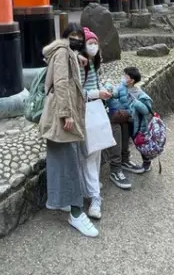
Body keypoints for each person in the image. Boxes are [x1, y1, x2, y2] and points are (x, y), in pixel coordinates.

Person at [40, 23, 98, 238]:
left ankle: (62, 202)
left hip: (55, 115)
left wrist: (77, 58)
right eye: (72, 36)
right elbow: (62, 83)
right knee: (71, 163)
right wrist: (67, 115)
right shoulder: (64, 53)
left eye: (79, 36)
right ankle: (76, 212)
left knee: (58, 161)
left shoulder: (63, 52)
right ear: (65, 36)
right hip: (61, 117)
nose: (76, 39)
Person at [79, 28, 112, 220]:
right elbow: (76, 93)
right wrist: (96, 94)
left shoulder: (94, 64)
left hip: (97, 110)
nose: (93, 46)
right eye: (89, 43)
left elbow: (96, 85)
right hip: (86, 112)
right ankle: (94, 197)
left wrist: (105, 89)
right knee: (89, 155)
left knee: (95, 152)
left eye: (94, 43)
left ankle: (91, 188)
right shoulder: (79, 65)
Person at [105, 67, 150, 182]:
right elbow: (114, 93)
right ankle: (122, 162)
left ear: (132, 80)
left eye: (126, 76)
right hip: (124, 119)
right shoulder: (121, 88)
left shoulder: (139, 93)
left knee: (139, 142)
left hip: (136, 123)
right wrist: (108, 88)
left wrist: (136, 103)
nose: (123, 78)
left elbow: (146, 109)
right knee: (124, 139)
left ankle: (146, 162)